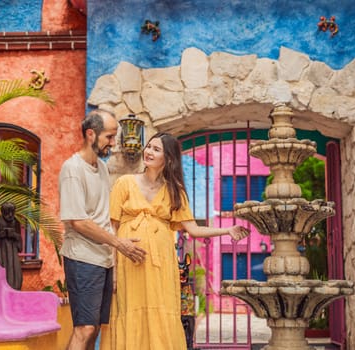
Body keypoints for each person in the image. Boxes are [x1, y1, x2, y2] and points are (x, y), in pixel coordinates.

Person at [104, 132, 249, 349]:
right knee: (130, 309)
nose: (148, 152)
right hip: (129, 262)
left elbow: (193, 229)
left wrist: (227, 230)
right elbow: (111, 228)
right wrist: (113, 271)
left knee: (161, 311)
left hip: (161, 265)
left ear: (168, 158)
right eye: (148, 147)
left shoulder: (175, 191)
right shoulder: (124, 183)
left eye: (156, 149)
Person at [58, 109, 147, 350]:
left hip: (102, 260)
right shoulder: (72, 169)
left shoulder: (102, 168)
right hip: (82, 259)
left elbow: (103, 214)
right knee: (84, 328)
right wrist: (119, 243)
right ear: (90, 134)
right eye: (108, 137)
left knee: (94, 327)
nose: (113, 143)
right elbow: (78, 221)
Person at [0, 201, 23, 290]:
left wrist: (14, 235)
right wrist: (1, 235)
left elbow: (19, 241)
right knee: (3, 274)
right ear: (3, 212)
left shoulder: (15, 222)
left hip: (13, 253)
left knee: (16, 275)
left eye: (12, 212)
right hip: (2, 253)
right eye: (8, 212)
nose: (10, 215)